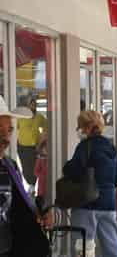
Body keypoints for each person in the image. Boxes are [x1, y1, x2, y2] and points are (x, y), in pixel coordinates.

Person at [63, 110, 117, 257]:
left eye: (79, 127)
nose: (78, 131)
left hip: (87, 203)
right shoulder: (110, 147)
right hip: (109, 204)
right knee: (113, 245)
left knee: (84, 246)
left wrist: (67, 167)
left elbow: (73, 171)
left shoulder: (85, 147)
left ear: (86, 127)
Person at [0, 96, 52, 257]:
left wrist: (38, 213)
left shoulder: (9, 166)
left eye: (9, 130)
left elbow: (17, 209)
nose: (6, 138)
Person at [17, 98, 47, 193]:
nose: (33, 106)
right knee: (26, 168)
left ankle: (32, 185)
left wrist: (42, 141)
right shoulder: (21, 117)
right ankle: (30, 183)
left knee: (34, 167)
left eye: (35, 105)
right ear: (27, 106)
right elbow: (15, 129)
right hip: (23, 146)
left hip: (35, 147)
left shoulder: (39, 117)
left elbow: (46, 128)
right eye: (32, 104)